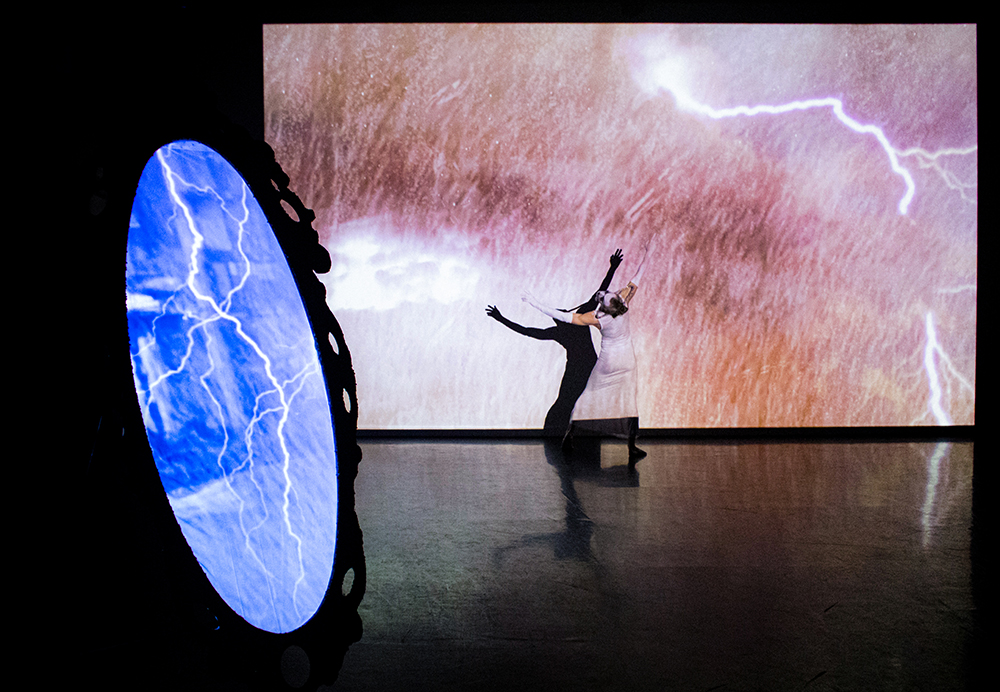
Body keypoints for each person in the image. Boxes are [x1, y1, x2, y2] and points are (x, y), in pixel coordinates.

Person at [522, 239, 652, 460]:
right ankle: (631, 447)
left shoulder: (595, 317)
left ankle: (569, 436)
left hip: (607, 363)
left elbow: (564, 316)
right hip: (627, 362)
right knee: (629, 401)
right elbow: (635, 278)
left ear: (606, 305)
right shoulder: (624, 304)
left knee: (586, 399)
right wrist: (649, 252)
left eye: (603, 298)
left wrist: (534, 302)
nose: (601, 295)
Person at [485, 250, 623, 436]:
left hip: (578, 368)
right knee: (576, 400)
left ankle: (559, 432)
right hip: (588, 366)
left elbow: (526, 331)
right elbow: (600, 290)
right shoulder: (578, 319)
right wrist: (613, 267)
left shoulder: (561, 330)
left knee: (567, 400)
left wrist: (501, 319)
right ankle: (571, 433)